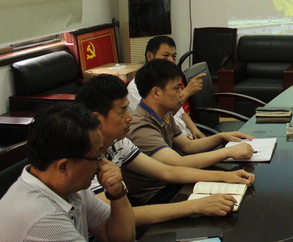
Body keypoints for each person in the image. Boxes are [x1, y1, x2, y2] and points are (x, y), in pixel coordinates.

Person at [76, 74, 255, 223]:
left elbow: (167, 171)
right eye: (123, 110)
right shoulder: (82, 160)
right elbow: (114, 218)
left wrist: (226, 176)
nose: (129, 117)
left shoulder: (118, 142)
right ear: (97, 118)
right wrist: (196, 206)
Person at [125, 59, 255, 205]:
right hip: (156, 196)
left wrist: (221, 137)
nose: (181, 94)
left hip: (173, 184)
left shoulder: (163, 114)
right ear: (156, 92)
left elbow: (188, 146)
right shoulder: (141, 127)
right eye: (176, 89)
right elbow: (177, 164)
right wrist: (228, 152)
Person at [0, 103, 135, 242]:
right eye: (97, 157)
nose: (102, 164)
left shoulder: (72, 189)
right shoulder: (42, 220)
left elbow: (118, 237)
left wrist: (117, 193)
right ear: (63, 167)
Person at [127, 35, 204, 139]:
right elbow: (157, 120)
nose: (171, 60)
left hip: (184, 135)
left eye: (174, 57)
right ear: (150, 56)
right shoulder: (135, 87)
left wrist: (195, 130)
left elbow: (181, 113)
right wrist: (187, 92)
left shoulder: (169, 82)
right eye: (166, 56)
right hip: (166, 139)